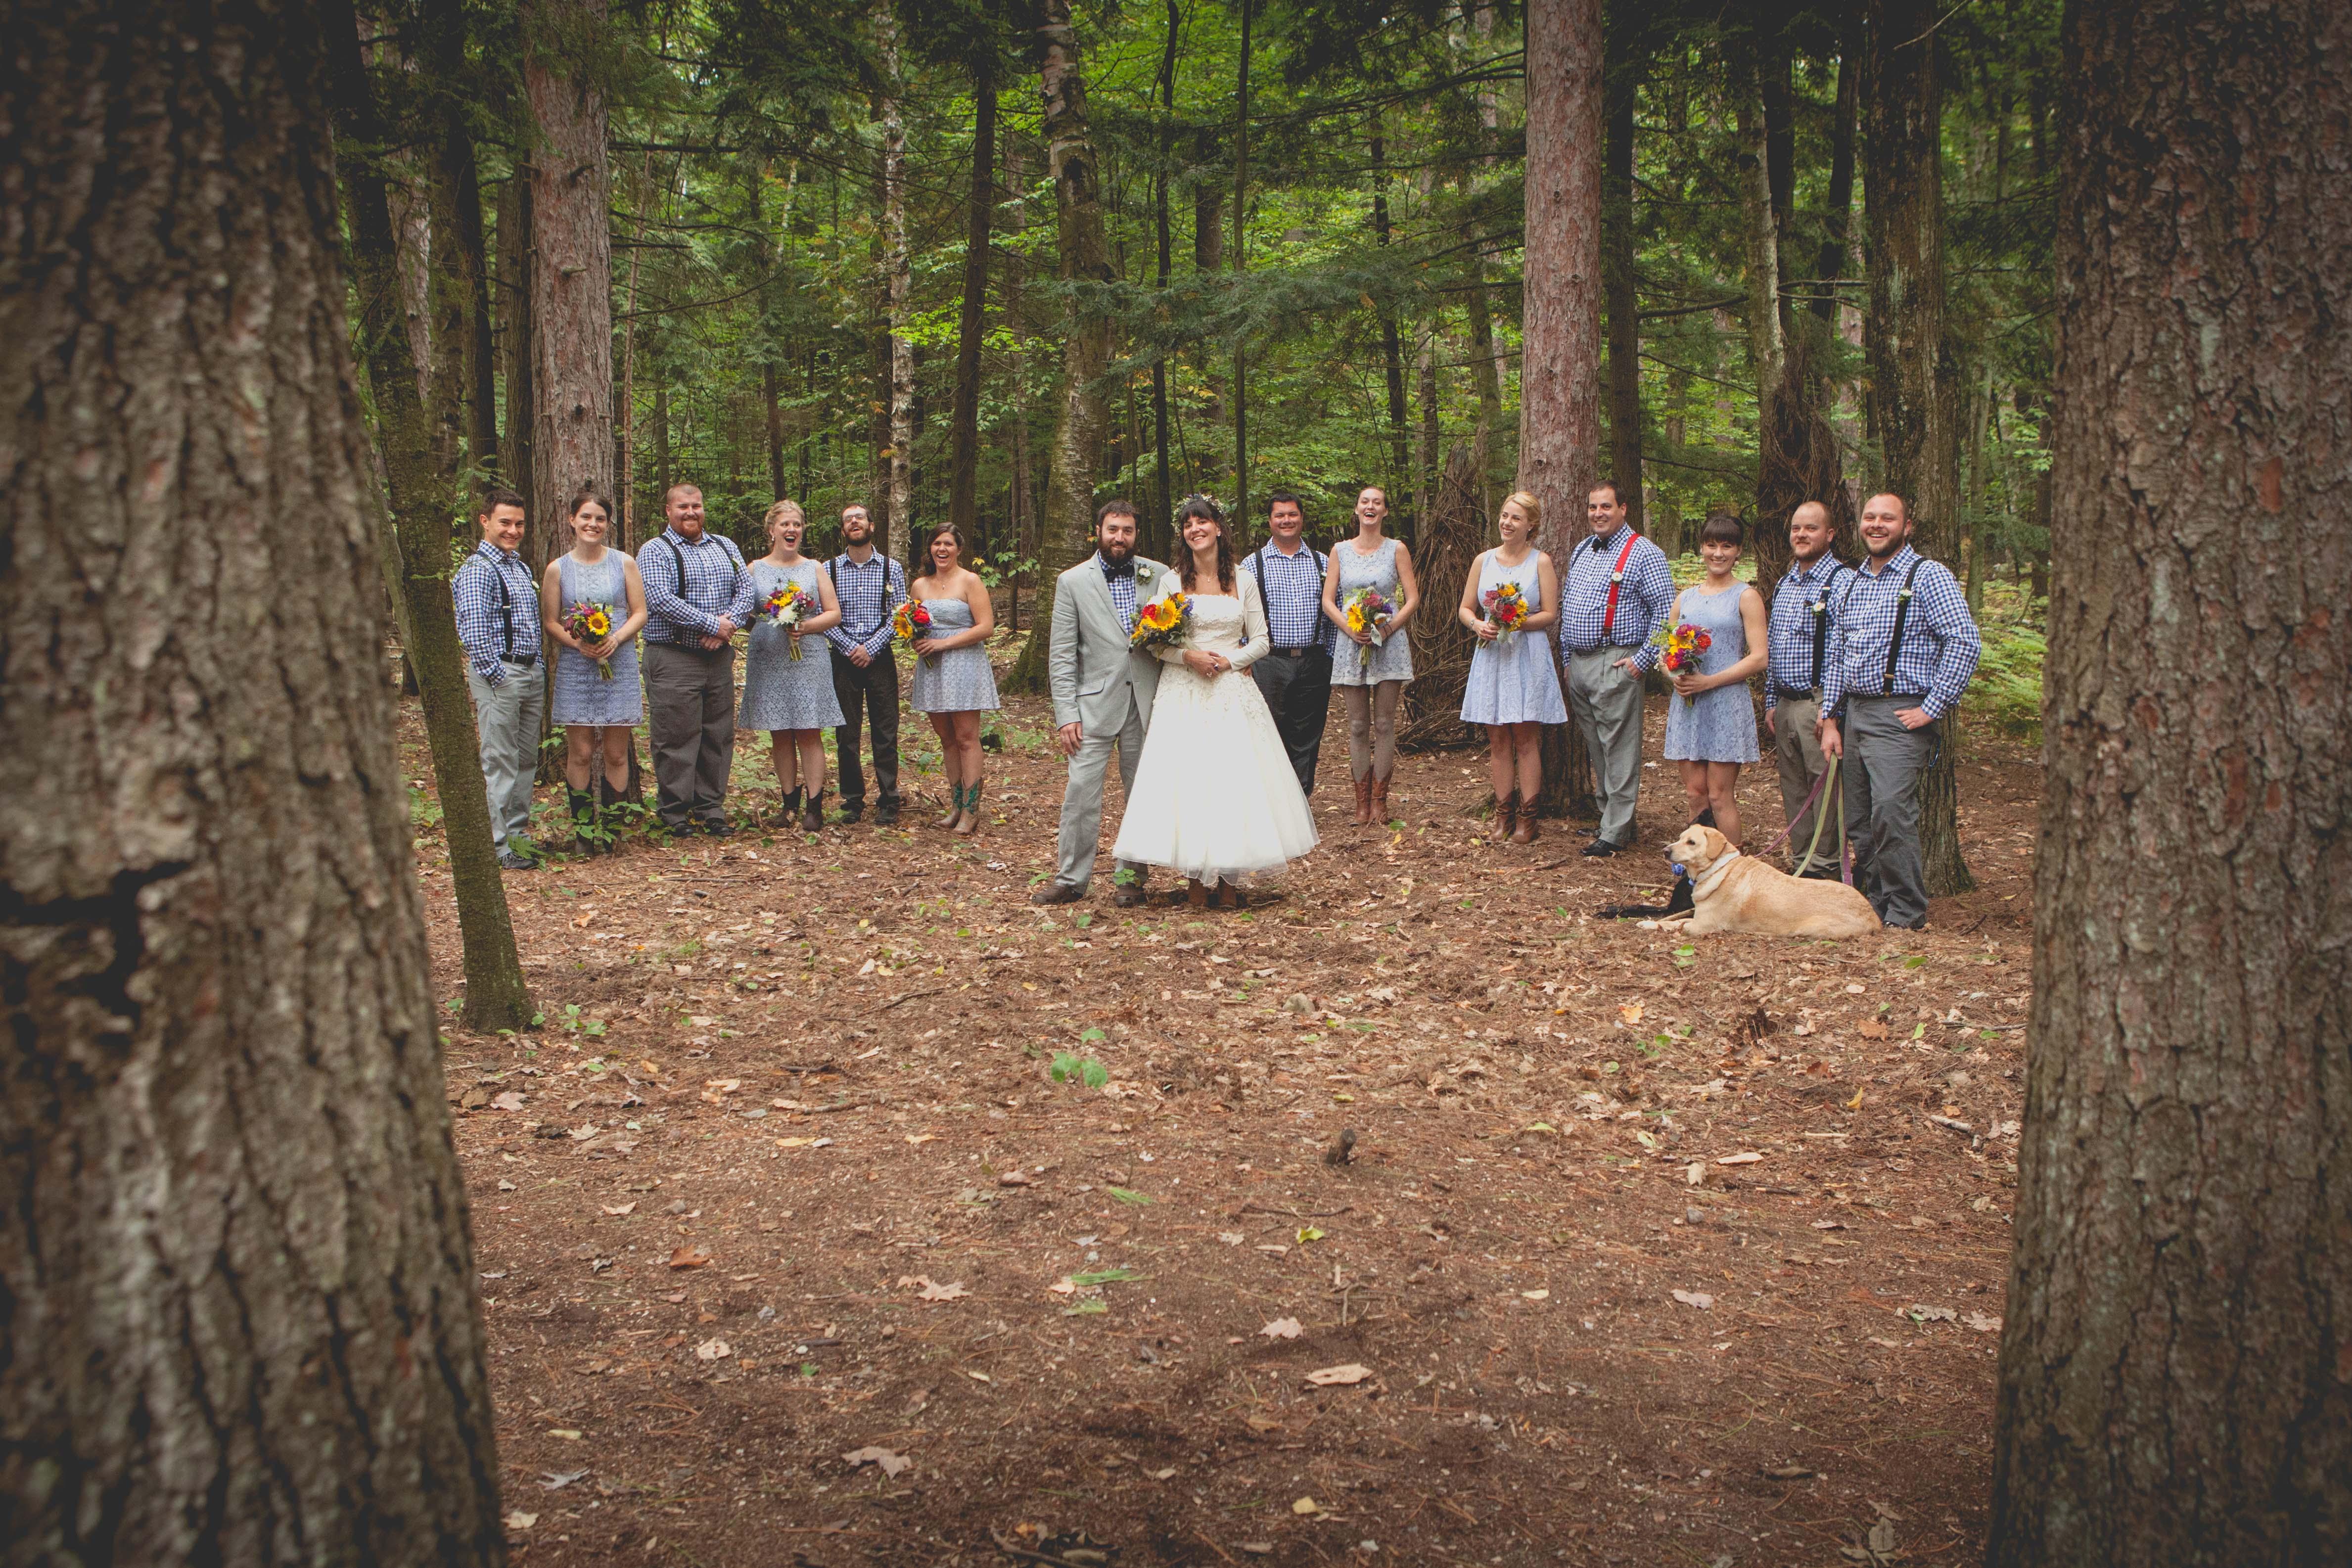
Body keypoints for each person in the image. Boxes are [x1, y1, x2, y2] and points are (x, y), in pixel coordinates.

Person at [1113, 496, 1319, 906]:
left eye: (1202, 522)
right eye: (1188, 524)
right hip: (1184, 690)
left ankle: (1228, 882)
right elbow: (1153, 642)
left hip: (1230, 689)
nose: (1195, 529)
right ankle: (1193, 881)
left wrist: (1228, 661)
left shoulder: (1243, 579)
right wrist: (1188, 657)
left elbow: (1262, 641)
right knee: (1189, 780)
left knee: (1232, 780)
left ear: (1218, 528)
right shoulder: (1172, 581)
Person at [1819, 492, 1983, 930]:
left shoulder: (1927, 575)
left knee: (1891, 812)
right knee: (1858, 820)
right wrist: (1830, 718)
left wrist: (1933, 707)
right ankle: (1876, 906)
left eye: (1887, 518)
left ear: (1906, 526)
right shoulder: (1851, 582)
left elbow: (1964, 641)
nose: (1876, 525)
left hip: (1899, 715)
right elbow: (1837, 654)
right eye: (1869, 517)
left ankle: (1907, 912)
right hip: (1854, 713)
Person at [1036, 500, 1166, 907]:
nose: (1119, 538)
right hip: (1091, 707)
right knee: (1080, 795)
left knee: (1140, 795)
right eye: (1112, 529)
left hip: (1145, 701)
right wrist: (1066, 715)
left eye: (1127, 530)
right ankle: (1071, 880)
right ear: (1098, 531)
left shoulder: (1159, 575)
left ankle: (1131, 880)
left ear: (1136, 534)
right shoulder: (1072, 581)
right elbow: (1061, 655)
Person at [1558, 478, 1675, 857]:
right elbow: (1568, 604)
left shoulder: (1644, 553)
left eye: (1606, 506)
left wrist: (1641, 662)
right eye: (1593, 507)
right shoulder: (1582, 549)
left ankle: (1615, 832)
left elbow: (1666, 611)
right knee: (1597, 749)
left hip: (1616, 660)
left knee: (1620, 750)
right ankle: (1612, 819)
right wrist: (1567, 659)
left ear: (1623, 509)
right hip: (1580, 664)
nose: (1598, 514)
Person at [636, 483, 755, 836]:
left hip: (718, 658)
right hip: (673, 656)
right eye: (683, 507)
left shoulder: (725, 546)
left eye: (697, 506)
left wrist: (726, 627)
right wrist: (711, 624)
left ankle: (710, 808)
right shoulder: (655, 550)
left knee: (717, 734)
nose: (691, 512)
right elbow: (659, 598)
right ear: (668, 511)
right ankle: (674, 811)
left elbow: (746, 590)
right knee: (676, 736)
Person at [539, 486, 647, 854]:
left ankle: (613, 832)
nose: (593, 524)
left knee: (616, 753)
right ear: (572, 520)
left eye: (600, 518)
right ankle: (584, 834)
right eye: (585, 517)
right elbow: (551, 622)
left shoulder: (624, 563)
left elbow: (640, 613)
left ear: (608, 524)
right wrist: (579, 645)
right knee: (581, 752)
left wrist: (615, 639)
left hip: (618, 661)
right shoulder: (558, 569)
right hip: (577, 665)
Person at [1457, 489, 1567, 844]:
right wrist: (1478, 625)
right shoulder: (1483, 561)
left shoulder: (1540, 562)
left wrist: (1516, 622)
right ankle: (1502, 816)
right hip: (1491, 654)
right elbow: (1465, 608)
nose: (1507, 523)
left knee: (1525, 738)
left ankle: (1528, 819)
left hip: (1527, 654)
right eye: (1505, 516)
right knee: (1498, 739)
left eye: (1516, 518)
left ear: (1531, 524)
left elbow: (1549, 614)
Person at [1661, 512, 1769, 845]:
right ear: (1701, 548)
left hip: (1725, 702)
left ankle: (1731, 868)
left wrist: (1710, 682)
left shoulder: (1745, 596)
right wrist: (1674, 675)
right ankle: (1697, 867)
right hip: (1689, 704)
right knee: (1695, 793)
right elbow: (1665, 651)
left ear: (1738, 551)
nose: (1718, 553)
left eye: (1726, 546)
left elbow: (1759, 657)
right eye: (1711, 545)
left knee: (1719, 795)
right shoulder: (1686, 597)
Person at [739, 499, 845, 831]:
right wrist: (767, 627)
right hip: (768, 657)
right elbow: (744, 612)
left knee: (809, 730)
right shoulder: (754, 569)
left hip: (808, 655)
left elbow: (834, 613)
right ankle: (788, 806)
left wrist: (804, 626)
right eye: (785, 524)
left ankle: (814, 807)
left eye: (797, 525)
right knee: (780, 731)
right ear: (771, 530)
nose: (792, 530)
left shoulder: (814, 568)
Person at [454, 487, 546, 869]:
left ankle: (517, 835)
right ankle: (496, 846)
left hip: (529, 671)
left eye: (519, 524)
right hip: (500, 674)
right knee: (500, 759)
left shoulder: (519, 568)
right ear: (485, 521)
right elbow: (474, 632)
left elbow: (528, 624)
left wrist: (537, 667)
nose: (513, 530)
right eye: (505, 522)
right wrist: (498, 676)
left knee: (525, 758)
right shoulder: (478, 569)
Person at [1321, 485, 1421, 826]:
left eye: (1377, 502)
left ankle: (1380, 801)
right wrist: (1350, 630)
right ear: (1356, 509)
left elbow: (1412, 598)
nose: (1371, 506)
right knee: (1357, 725)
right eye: (1365, 501)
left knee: (1384, 723)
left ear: (1384, 511)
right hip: (1352, 642)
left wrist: (1389, 629)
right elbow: (1328, 601)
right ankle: (1361, 802)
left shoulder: (1397, 549)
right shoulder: (1340, 551)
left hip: (1388, 643)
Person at [1763, 501, 1853, 876]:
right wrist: (1771, 701)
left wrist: (1830, 710)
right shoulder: (1786, 583)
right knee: (1794, 788)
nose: (1801, 535)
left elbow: (1842, 651)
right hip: (1786, 703)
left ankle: (1825, 868)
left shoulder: (1842, 582)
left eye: (1811, 528)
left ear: (1829, 535)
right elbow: (1774, 646)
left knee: (1825, 788)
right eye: (1796, 528)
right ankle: (1802, 865)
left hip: (1817, 704)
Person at [1238, 489, 1336, 799]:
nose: (1287, 520)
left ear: (1302, 518)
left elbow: (1335, 612)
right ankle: (1272, 804)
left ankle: (1300, 804)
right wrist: (1246, 658)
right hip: (1269, 661)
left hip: (1313, 661)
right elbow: (1240, 615)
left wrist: (1329, 657)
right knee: (1269, 734)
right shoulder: (1252, 565)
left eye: (1292, 514)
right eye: (1279, 515)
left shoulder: (1323, 563)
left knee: (1307, 736)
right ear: (1270, 521)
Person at [907, 521, 1001, 835]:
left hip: (964, 664)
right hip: (932, 668)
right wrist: (916, 639)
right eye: (937, 544)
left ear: (959, 549)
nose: (942, 549)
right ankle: (956, 805)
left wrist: (943, 644)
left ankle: (972, 811)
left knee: (966, 737)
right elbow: (914, 624)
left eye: (948, 544)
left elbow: (986, 627)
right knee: (946, 739)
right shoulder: (920, 586)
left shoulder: (970, 581)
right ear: (930, 549)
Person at [824, 503, 908, 827]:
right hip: (842, 659)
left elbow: (898, 615)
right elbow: (824, 616)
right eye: (848, 520)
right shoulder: (829, 569)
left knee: (885, 732)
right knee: (846, 733)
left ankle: (889, 799)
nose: (854, 522)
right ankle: (852, 800)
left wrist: (870, 648)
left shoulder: (891, 568)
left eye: (859, 517)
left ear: (871, 526)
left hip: (880, 658)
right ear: (843, 530)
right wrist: (850, 648)